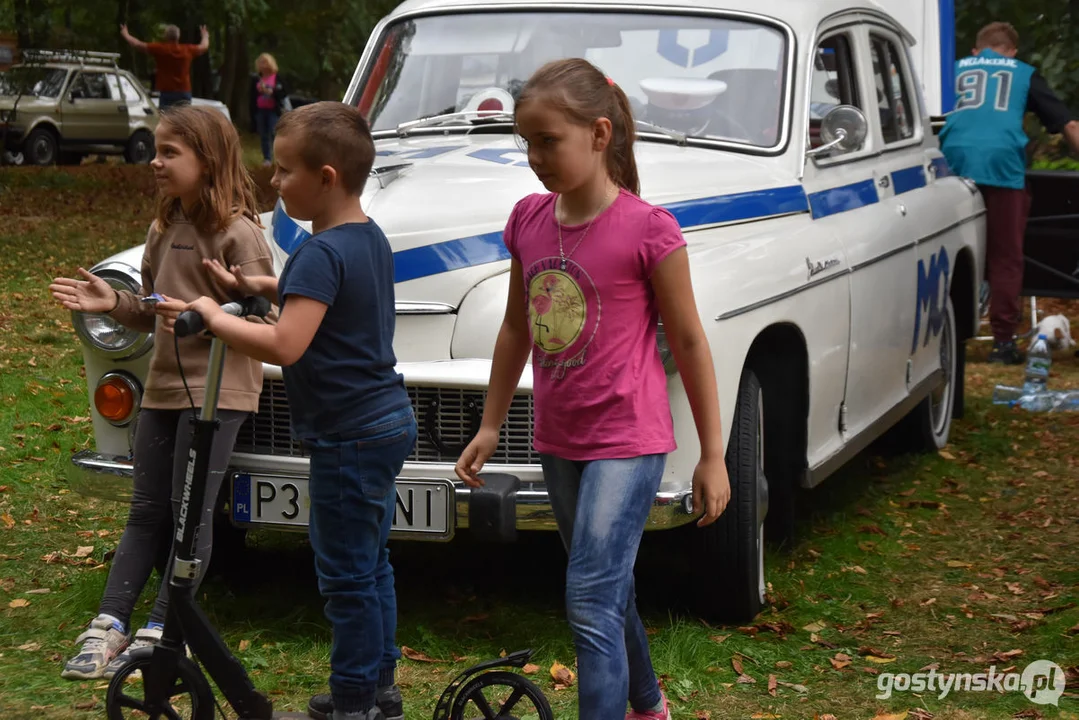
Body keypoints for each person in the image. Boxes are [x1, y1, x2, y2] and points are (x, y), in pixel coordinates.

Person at [453, 58, 731, 720]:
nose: (534, 157)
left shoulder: (647, 230)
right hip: (558, 438)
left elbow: (690, 343)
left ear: (598, 134)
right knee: (606, 590)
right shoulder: (527, 219)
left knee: (587, 596)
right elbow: (517, 328)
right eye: (526, 141)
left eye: (548, 140)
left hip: (627, 441)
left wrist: (713, 454)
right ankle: (647, 705)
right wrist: (491, 425)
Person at [181, 102, 414, 720]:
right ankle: (379, 688)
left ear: (327, 177)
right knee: (371, 563)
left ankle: (355, 701)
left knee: (345, 577)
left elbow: (286, 344)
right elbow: (327, 297)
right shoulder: (367, 237)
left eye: (285, 172)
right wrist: (260, 287)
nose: (275, 184)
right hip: (386, 420)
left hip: (348, 433)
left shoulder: (316, 254)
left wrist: (212, 320)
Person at [48, 105, 274, 680]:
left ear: (209, 159)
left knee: (190, 512)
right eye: (155, 149)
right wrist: (117, 305)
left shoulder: (239, 233)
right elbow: (154, 311)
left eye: (170, 152)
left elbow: (264, 316)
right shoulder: (162, 229)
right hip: (163, 390)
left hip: (218, 393)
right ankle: (109, 623)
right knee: (146, 509)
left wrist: (211, 313)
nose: (155, 161)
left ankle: (165, 627)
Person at [939, 21, 1079, 365]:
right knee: (1006, 257)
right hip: (1002, 167)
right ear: (1012, 52)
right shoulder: (1023, 72)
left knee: (942, 248)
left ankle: (938, 334)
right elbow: (1069, 125)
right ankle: (1002, 343)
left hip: (951, 165)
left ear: (976, 51)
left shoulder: (949, 69)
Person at [121, 23, 209, 108]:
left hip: (167, 92)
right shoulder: (187, 50)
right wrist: (205, 35)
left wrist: (126, 34)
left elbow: (138, 44)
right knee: (183, 120)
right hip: (184, 91)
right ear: (178, 36)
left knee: (166, 119)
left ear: (166, 36)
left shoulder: (161, 49)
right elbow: (204, 46)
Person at [250, 53, 288, 167]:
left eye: (265, 62)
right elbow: (251, 96)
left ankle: (279, 158)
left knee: (274, 132)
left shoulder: (277, 77)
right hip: (260, 110)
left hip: (273, 110)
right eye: (261, 62)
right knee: (263, 134)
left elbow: (284, 92)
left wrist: (272, 92)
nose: (263, 65)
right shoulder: (256, 79)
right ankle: (267, 158)